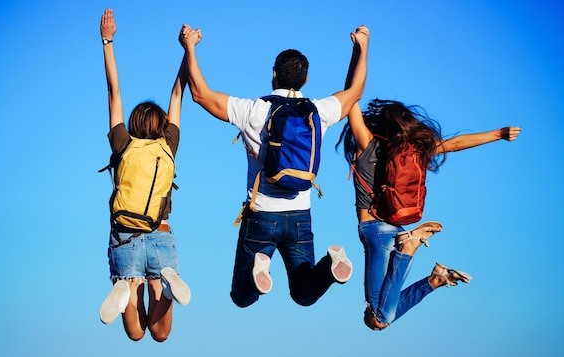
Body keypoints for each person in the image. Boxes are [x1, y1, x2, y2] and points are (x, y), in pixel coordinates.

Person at [178, 24, 370, 307]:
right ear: (305, 78)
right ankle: (330, 267)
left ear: (274, 74)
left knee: (242, 297)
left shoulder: (253, 110)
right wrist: (361, 48)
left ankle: (259, 269)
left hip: (261, 216)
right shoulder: (317, 111)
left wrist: (190, 48)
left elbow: (200, 94)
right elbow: (355, 92)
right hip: (300, 217)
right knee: (304, 294)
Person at [337, 99, 522, 330]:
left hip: (375, 233)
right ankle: (436, 279)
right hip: (397, 228)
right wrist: (499, 134)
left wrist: (357, 61)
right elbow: (455, 144)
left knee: (379, 318)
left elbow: (351, 96)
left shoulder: (367, 142)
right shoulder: (414, 148)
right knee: (376, 319)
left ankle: (409, 248)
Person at [97, 9, 191, 342]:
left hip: (124, 237)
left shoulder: (122, 143)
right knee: (160, 334)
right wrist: (188, 51)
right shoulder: (169, 143)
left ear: (135, 124)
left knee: (135, 333)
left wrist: (107, 41)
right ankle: (163, 284)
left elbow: (114, 92)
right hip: (160, 233)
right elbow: (178, 93)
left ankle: (127, 286)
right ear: (162, 125)